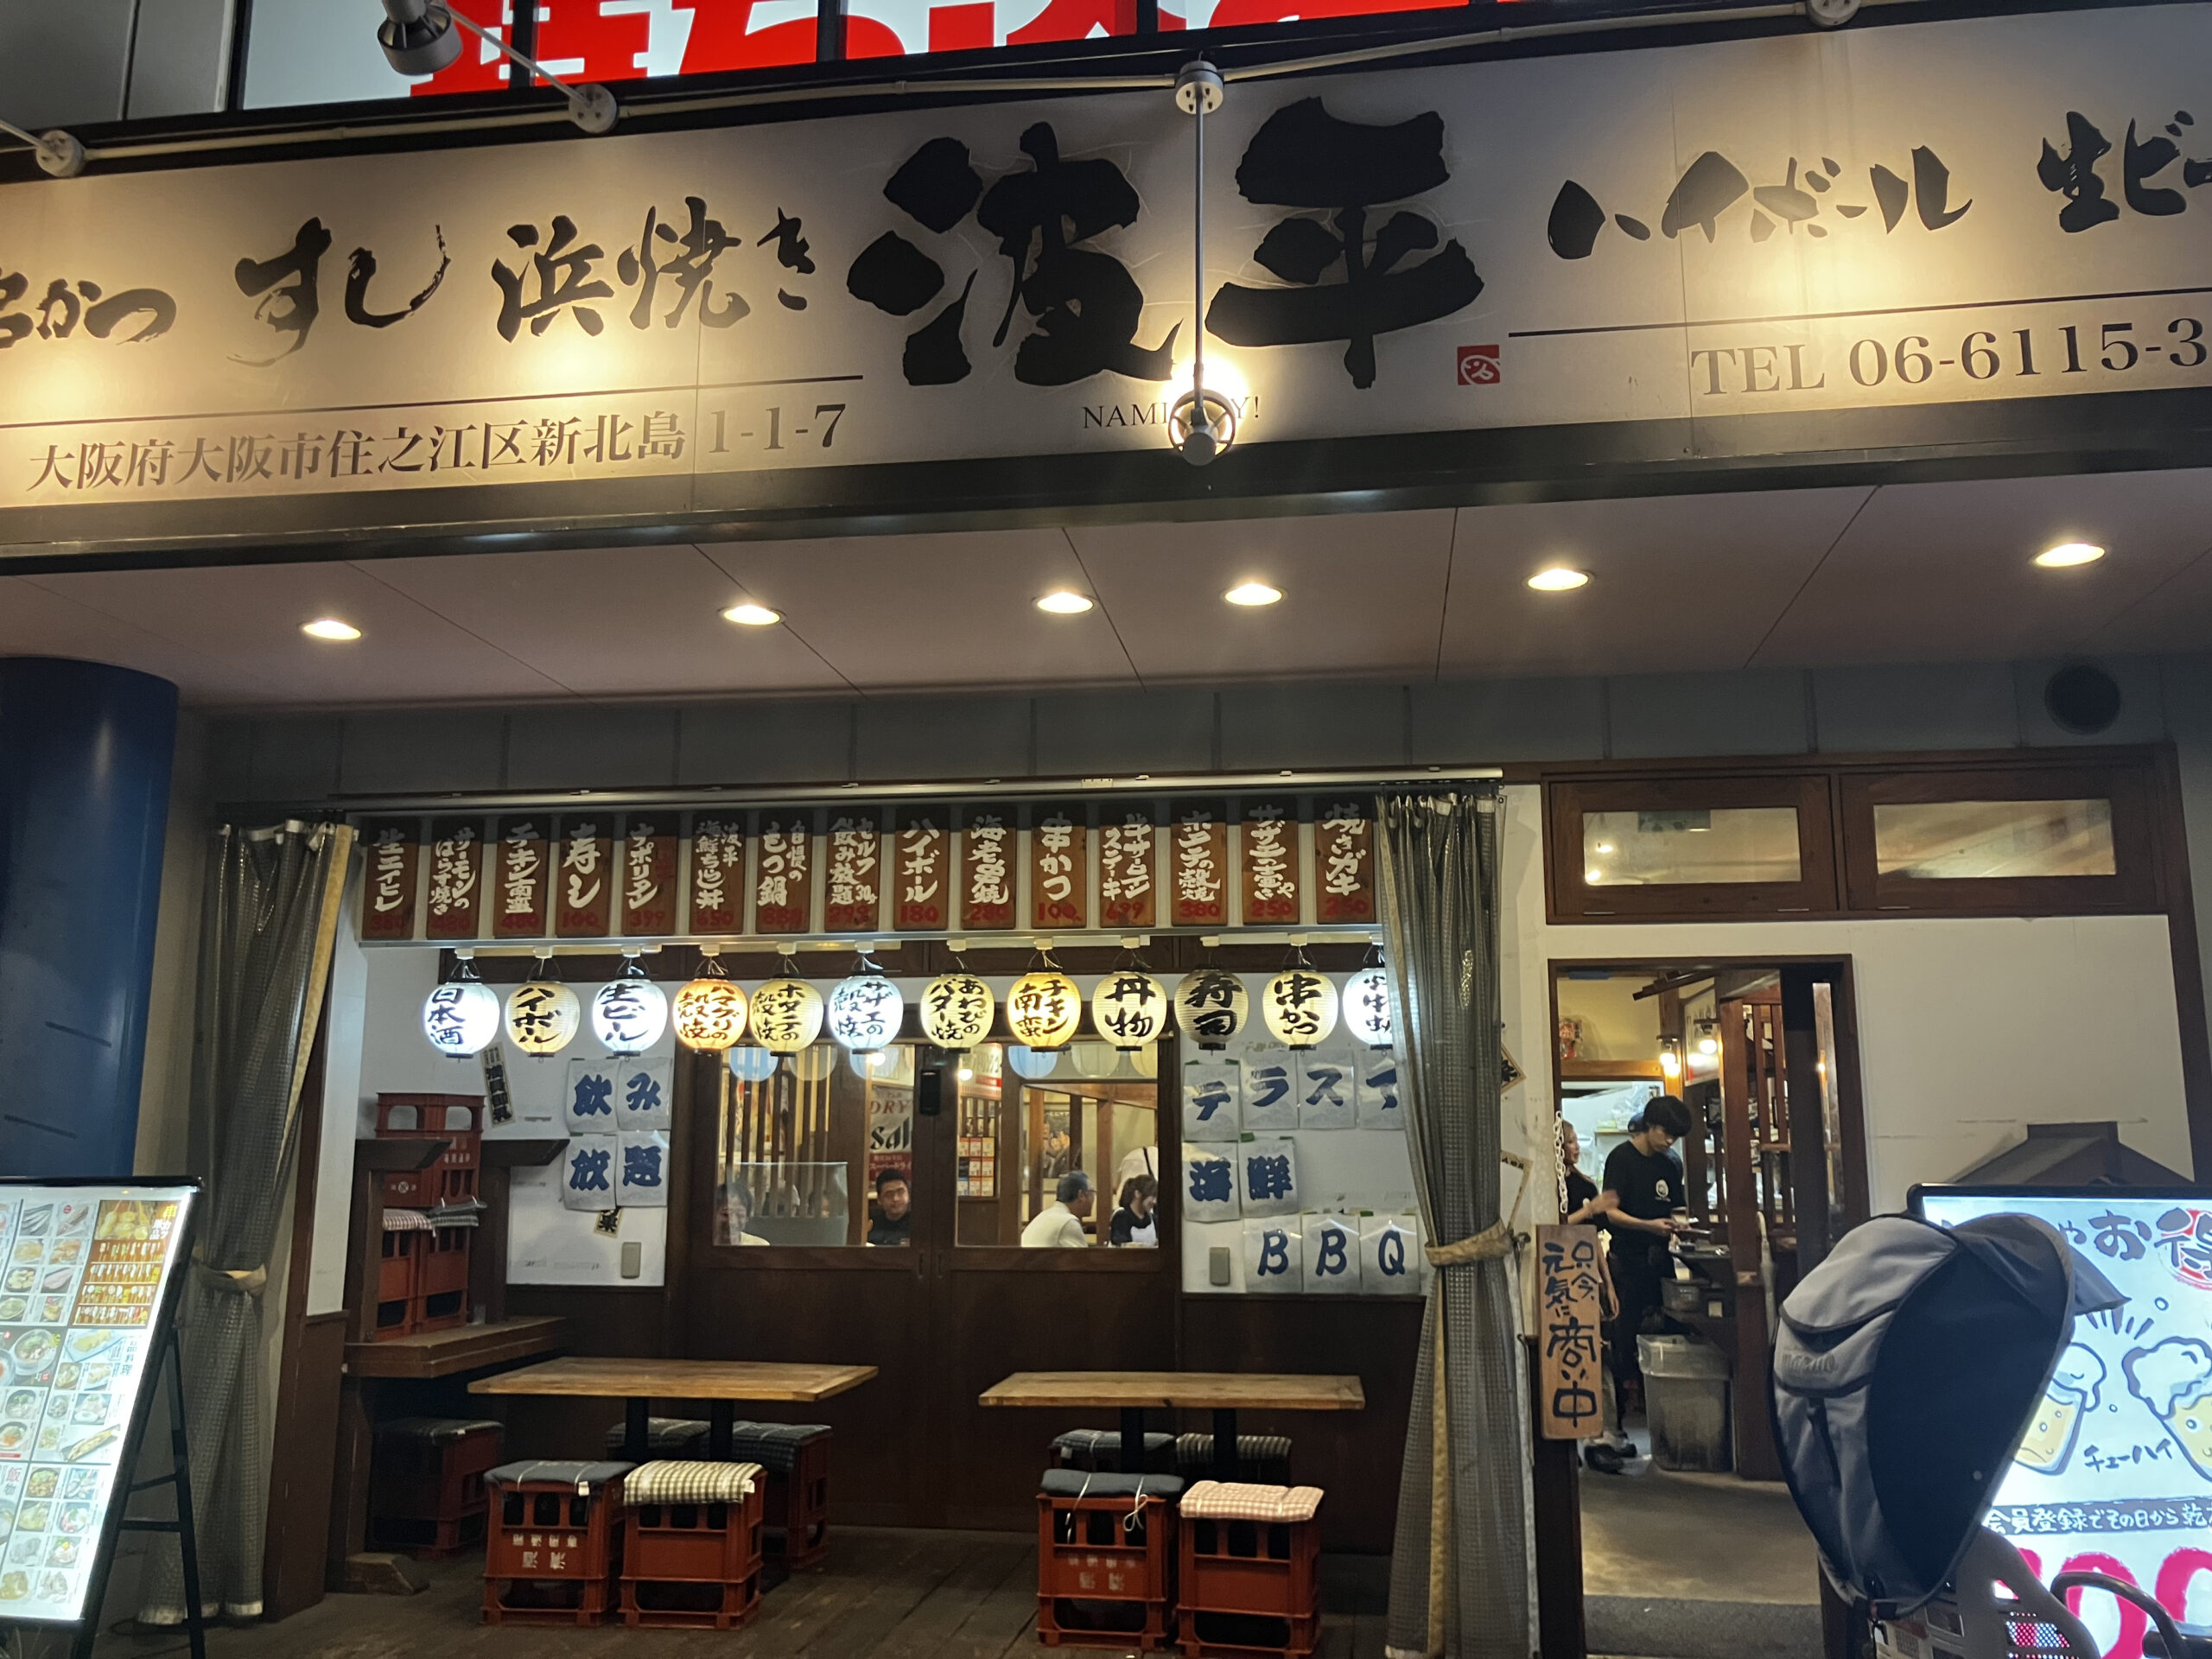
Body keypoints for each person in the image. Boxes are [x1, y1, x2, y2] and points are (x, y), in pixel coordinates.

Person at [1593, 1093, 1694, 1462]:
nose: (1670, 1141)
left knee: (1669, 1338)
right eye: (1666, 1133)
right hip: (1627, 1262)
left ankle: (1669, 1429)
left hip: (1660, 1262)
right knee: (1621, 1345)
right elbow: (1610, 1213)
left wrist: (1680, 1226)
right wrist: (1648, 1225)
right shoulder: (1621, 1158)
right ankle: (1613, 1430)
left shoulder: (1670, 1164)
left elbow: (1678, 1208)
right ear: (1650, 1126)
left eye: (1675, 1136)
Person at [1020, 1171, 1094, 1248]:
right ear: (1081, 1195)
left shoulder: (1044, 1215)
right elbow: (1082, 1255)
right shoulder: (1068, 1222)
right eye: (1092, 1192)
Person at [1560, 1121, 1603, 1224]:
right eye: (1570, 1142)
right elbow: (1559, 1225)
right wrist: (1587, 1210)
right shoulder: (1554, 1187)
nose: (1577, 1146)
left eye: (1577, 1140)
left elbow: (1599, 1223)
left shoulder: (1586, 1185)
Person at [1108, 1174, 1159, 1247]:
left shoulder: (1154, 1220)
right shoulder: (1121, 1217)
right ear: (1137, 1194)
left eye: (1156, 1197)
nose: (1155, 1201)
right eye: (1152, 1196)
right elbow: (1122, 1247)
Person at [715, 1181, 770, 1247]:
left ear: (747, 1218)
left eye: (740, 1215)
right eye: (726, 1214)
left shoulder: (760, 1246)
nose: (733, 1222)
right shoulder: (704, 1245)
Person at [868, 1168, 912, 1247]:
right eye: (889, 1194)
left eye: (900, 1192)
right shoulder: (871, 1225)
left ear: (909, 1195)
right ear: (879, 1199)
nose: (895, 1199)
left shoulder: (919, 1223)